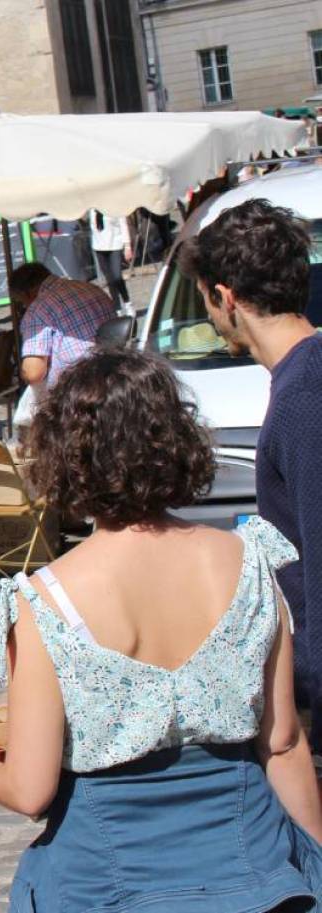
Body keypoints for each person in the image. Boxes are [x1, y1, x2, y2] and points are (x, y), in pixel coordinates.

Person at [0, 349, 322, 910]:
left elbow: (31, 789)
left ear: (64, 456)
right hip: (250, 869)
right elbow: (281, 742)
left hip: (108, 880)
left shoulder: (44, 601)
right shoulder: (248, 560)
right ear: (175, 440)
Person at [180, 199, 322, 745]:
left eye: (207, 303)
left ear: (226, 297)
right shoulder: (303, 378)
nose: (212, 318)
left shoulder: (305, 398)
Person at [7, 262, 114, 428]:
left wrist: (20, 371)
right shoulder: (90, 288)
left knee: (30, 419)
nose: (24, 306)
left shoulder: (37, 310)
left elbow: (34, 373)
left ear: (28, 294)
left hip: (80, 394)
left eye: (21, 302)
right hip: (115, 374)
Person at [88, 209, 132, 314]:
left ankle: (127, 302)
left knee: (117, 276)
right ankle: (117, 309)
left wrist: (127, 245)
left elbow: (123, 224)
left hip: (115, 245)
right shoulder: (92, 209)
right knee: (110, 280)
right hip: (99, 246)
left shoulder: (112, 205)